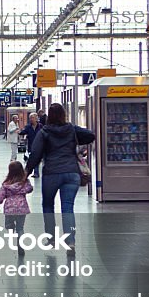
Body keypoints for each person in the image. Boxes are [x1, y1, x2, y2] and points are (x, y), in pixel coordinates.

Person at [24, 103, 95, 258]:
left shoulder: (44, 132)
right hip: (71, 173)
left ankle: (51, 239)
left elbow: (35, 153)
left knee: (48, 205)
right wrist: (76, 139)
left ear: (49, 115)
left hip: (52, 173)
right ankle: (70, 243)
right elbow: (90, 135)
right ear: (63, 114)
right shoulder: (71, 128)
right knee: (67, 208)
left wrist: (26, 171)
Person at [0, 160, 33, 261]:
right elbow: (30, 189)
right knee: (20, 228)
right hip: (22, 208)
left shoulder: (6, 184)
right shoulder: (24, 182)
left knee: (9, 228)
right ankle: (21, 246)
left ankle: (7, 245)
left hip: (10, 210)